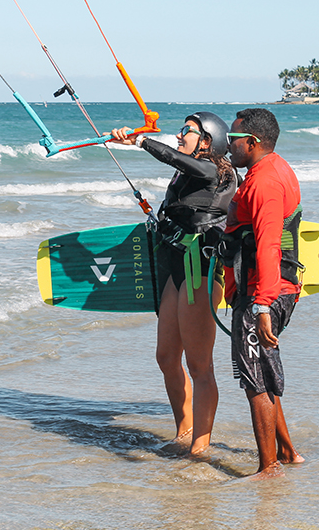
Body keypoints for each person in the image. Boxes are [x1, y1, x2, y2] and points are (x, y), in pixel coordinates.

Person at [111, 112, 238, 455]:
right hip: (176, 267)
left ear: (207, 141)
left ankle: (200, 447)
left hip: (202, 269)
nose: (180, 136)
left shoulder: (215, 171)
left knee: (199, 365)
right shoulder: (184, 174)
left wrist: (141, 141)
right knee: (166, 357)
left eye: (187, 131)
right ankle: (183, 432)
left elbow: (181, 159)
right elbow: (180, 168)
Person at [223, 108, 306, 477]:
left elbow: (270, 243)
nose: (229, 146)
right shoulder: (270, 169)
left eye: (233, 140)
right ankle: (287, 452)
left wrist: (261, 304)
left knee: (254, 379)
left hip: (265, 292)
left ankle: (268, 470)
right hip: (263, 288)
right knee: (264, 372)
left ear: (252, 143)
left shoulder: (264, 182)